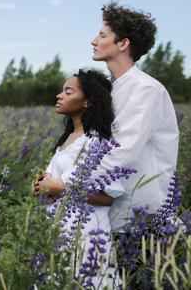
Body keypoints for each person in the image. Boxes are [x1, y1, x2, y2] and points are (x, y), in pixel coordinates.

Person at [90, 2, 179, 235]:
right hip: (110, 211)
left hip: (141, 215)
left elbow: (122, 151)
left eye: (102, 35)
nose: (94, 41)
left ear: (123, 43)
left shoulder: (146, 89)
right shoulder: (112, 89)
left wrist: (69, 185)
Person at [33, 69, 121, 288]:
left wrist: (60, 189)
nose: (59, 96)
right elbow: (50, 182)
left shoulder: (97, 143)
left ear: (87, 102)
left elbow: (108, 197)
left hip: (86, 232)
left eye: (68, 91)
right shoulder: (69, 138)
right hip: (57, 227)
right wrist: (39, 186)